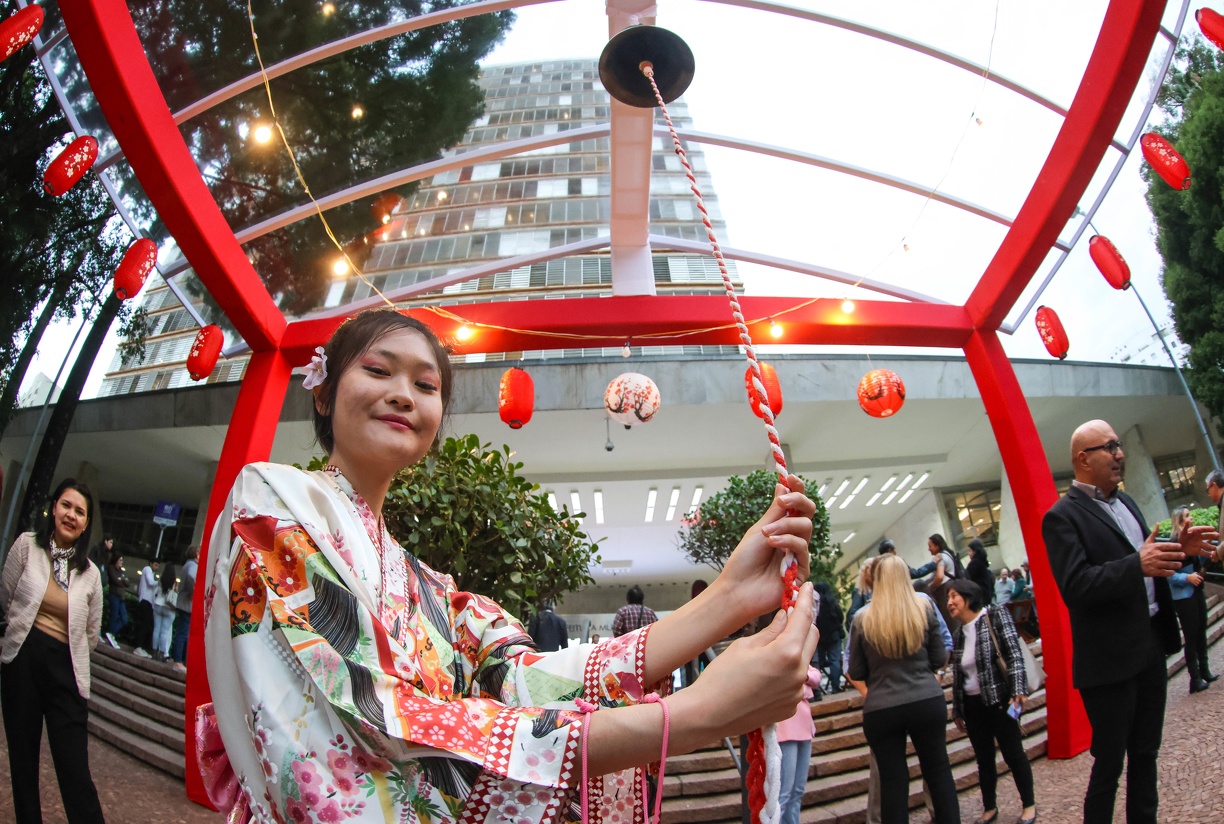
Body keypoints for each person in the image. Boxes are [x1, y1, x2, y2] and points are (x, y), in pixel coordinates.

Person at [200, 309, 820, 823]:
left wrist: (729, 599)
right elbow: (386, 719)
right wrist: (690, 716)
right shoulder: (275, 501)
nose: (402, 394)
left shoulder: (432, 589)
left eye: (426, 385)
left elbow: (523, 680)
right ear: (326, 389)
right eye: (378, 370)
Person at [1043, 419, 1216, 824]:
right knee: (1109, 767)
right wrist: (1135, 564)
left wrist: (1179, 548)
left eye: (1120, 445)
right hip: (1108, 664)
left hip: (1149, 647)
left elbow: (1147, 561)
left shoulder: (1127, 502)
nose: (1121, 454)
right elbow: (1076, 586)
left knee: (1146, 754)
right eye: (1110, 447)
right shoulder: (1062, 517)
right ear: (1084, 459)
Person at [1, 479, 106, 824]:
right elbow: (6, 597)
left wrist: (66, 652)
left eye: (80, 511)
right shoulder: (26, 546)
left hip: (67, 670)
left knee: (75, 771)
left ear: (86, 523)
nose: (71, 515)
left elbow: (91, 632)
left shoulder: (90, 575)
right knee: (23, 760)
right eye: (66, 505)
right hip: (22, 661)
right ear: (54, 507)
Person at [848, 554, 959, 824]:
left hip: (882, 708)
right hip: (925, 698)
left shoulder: (862, 618)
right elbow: (938, 657)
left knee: (893, 782)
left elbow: (857, 671)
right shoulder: (924, 607)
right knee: (938, 771)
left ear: (876, 580)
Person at [946, 579, 1037, 824]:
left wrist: (1018, 689)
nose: (950, 602)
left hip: (1001, 700)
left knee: (1013, 753)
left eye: (954, 596)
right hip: (974, 706)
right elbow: (958, 676)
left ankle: (1029, 805)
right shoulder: (958, 635)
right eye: (948, 598)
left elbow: (1014, 655)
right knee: (984, 759)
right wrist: (957, 710)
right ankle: (990, 807)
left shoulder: (994, 615)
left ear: (968, 596)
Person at [1167, 506, 1214, 693]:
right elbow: (1169, 575)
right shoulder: (1173, 543)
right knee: (1191, 636)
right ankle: (1195, 679)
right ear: (1179, 521)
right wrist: (1187, 577)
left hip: (1196, 591)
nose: (1191, 518)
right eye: (1187, 516)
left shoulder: (1192, 540)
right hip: (1183, 596)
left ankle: (1205, 671)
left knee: (1201, 630)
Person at [777, 662, 821, 824]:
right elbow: (784, 687)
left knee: (797, 790)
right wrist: (805, 687)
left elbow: (816, 677)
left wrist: (805, 679)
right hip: (785, 728)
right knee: (784, 792)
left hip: (804, 726)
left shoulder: (799, 657)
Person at [924, 533, 962, 634]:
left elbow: (940, 577)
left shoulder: (940, 557)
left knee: (949, 619)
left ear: (937, 546)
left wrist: (930, 587)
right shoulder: (948, 554)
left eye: (930, 546)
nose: (929, 549)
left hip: (944, 591)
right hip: (951, 586)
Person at [813, 580, 845, 693]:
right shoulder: (832, 603)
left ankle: (817, 688)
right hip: (834, 636)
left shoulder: (815, 605)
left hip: (820, 638)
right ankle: (836, 686)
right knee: (834, 661)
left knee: (818, 663)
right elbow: (840, 617)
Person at [169, 545, 197, 672]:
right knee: (183, 633)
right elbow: (192, 577)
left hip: (185, 604)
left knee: (184, 633)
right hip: (187, 604)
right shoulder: (192, 565)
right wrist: (194, 590)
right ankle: (178, 661)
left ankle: (181, 661)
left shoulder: (187, 564)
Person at [104, 548, 130, 648]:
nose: (121, 562)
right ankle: (110, 635)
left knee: (124, 619)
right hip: (114, 595)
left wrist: (122, 579)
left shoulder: (121, 571)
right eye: (120, 560)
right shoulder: (111, 568)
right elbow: (116, 580)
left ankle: (111, 634)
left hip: (121, 597)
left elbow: (127, 582)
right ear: (116, 560)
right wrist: (122, 580)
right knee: (114, 616)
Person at [151, 562, 177, 662]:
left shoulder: (161, 579)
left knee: (156, 629)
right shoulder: (173, 581)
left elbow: (157, 591)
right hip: (168, 608)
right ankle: (162, 653)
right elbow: (174, 594)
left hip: (158, 605)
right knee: (164, 632)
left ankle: (154, 651)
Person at [134, 559, 159, 658]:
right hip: (145, 601)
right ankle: (138, 646)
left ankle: (141, 647)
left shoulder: (151, 573)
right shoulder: (147, 569)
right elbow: (150, 582)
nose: (156, 567)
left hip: (148, 602)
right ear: (151, 563)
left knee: (148, 626)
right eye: (156, 565)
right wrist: (159, 582)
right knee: (145, 625)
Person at [964, 539, 994, 607]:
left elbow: (966, 577)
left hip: (979, 595)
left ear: (975, 551)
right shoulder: (982, 562)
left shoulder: (975, 562)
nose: (968, 553)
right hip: (986, 594)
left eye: (970, 551)